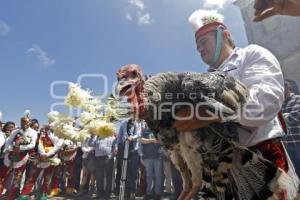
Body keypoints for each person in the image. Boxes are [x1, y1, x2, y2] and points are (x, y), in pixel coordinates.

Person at [184, 9, 299, 198]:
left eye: (203, 42)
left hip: (262, 156)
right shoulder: (202, 80)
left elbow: (263, 103)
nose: (200, 50)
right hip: (219, 168)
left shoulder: (251, 55)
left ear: (225, 35)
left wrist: (212, 113)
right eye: (197, 48)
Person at [0, 116, 38, 200]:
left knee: (17, 177)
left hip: (22, 157)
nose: (23, 124)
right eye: (22, 122)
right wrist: (11, 148)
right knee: (2, 175)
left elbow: (32, 145)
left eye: (26, 122)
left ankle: (12, 196)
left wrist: (20, 148)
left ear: (29, 123)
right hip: (10, 155)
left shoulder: (33, 132)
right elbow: (8, 141)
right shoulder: (15, 131)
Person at [115, 118, 142, 200]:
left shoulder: (138, 123)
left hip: (134, 150)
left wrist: (132, 137)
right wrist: (117, 145)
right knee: (125, 172)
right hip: (124, 149)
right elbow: (120, 135)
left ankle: (132, 192)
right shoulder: (123, 123)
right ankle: (126, 191)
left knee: (133, 172)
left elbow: (139, 134)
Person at [140, 122, 163, 200]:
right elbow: (142, 140)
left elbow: (161, 140)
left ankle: (157, 194)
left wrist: (150, 140)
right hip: (147, 157)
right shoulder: (144, 131)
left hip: (158, 156)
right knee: (149, 176)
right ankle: (148, 193)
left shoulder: (158, 131)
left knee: (158, 176)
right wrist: (153, 140)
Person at [282, 81, 300, 177]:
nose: (283, 94)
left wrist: (282, 117)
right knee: (295, 170)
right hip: (287, 143)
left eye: (284, 91)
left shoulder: (297, 99)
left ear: (289, 88)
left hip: (298, 141)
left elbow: (295, 116)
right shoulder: (279, 104)